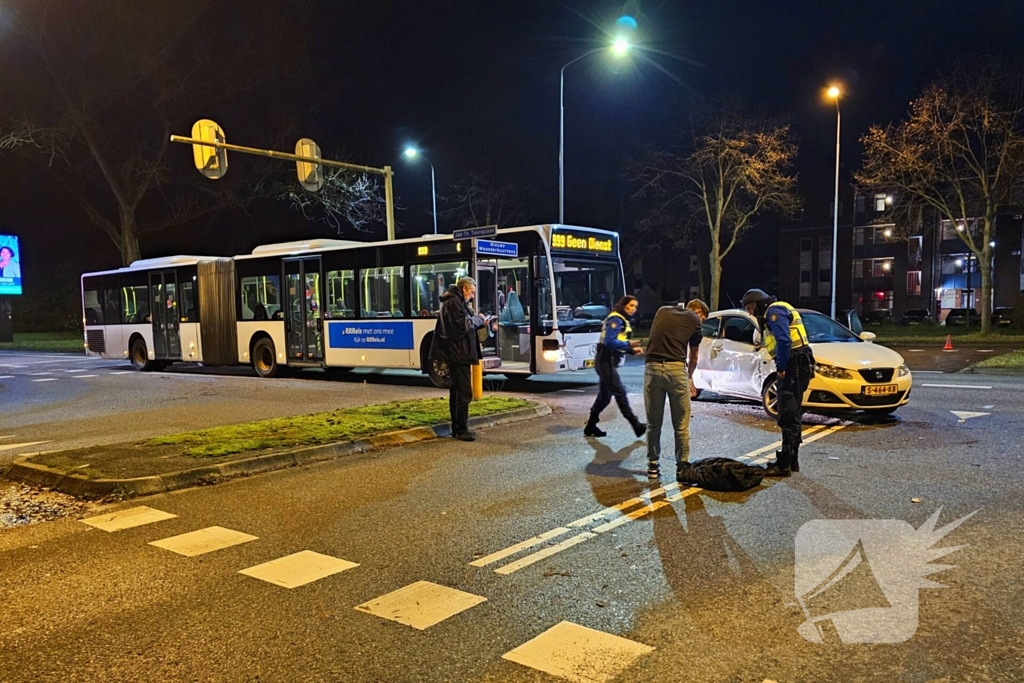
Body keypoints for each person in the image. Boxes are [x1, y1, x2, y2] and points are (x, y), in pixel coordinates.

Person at [741, 288, 815, 477]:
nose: (750, 313)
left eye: (750, 308)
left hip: (793, 366)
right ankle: (792, 461)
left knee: (787, 415)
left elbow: (783, 340)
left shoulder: (774, 312)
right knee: (793, 413)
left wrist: (781, 366)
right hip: (799, 364)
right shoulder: (779, 309)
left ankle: (784, 464)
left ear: (758, 303)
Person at [644, 299, 709, 482]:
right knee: (681, 424)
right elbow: (693, 356)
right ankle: (682, 469)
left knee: (653, 424)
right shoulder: (695, 320)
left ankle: (653, 467)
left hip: (652, 369)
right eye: (702, 318)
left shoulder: (662, 310)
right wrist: (689, 377)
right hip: (676, 370)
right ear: (698, 312)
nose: (700, 322)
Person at [429, 276, 491, 442]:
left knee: (457, 390)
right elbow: (465, 325)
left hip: (456, 352)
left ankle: (458, 428)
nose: (472, 296)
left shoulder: (454, 301)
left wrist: (474, 316)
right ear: (464, 289)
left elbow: (465, 321)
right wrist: (479, 319)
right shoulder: (454, 302)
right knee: (464, 392)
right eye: (471, 292)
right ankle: (461, 429)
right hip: (458, 353)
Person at [585, 295, 647, 438]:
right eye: (630, 305)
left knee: (605, 397)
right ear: (623, 305)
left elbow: (616, 342)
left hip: (607, 360)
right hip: (605, 360)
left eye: (635, 307)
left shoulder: (621, 319)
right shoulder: (616, 319)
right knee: (620, 392)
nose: (633, 309)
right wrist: (629, 345)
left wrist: (631, 349)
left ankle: (590, 426)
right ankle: (636, 425)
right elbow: (609, 342)